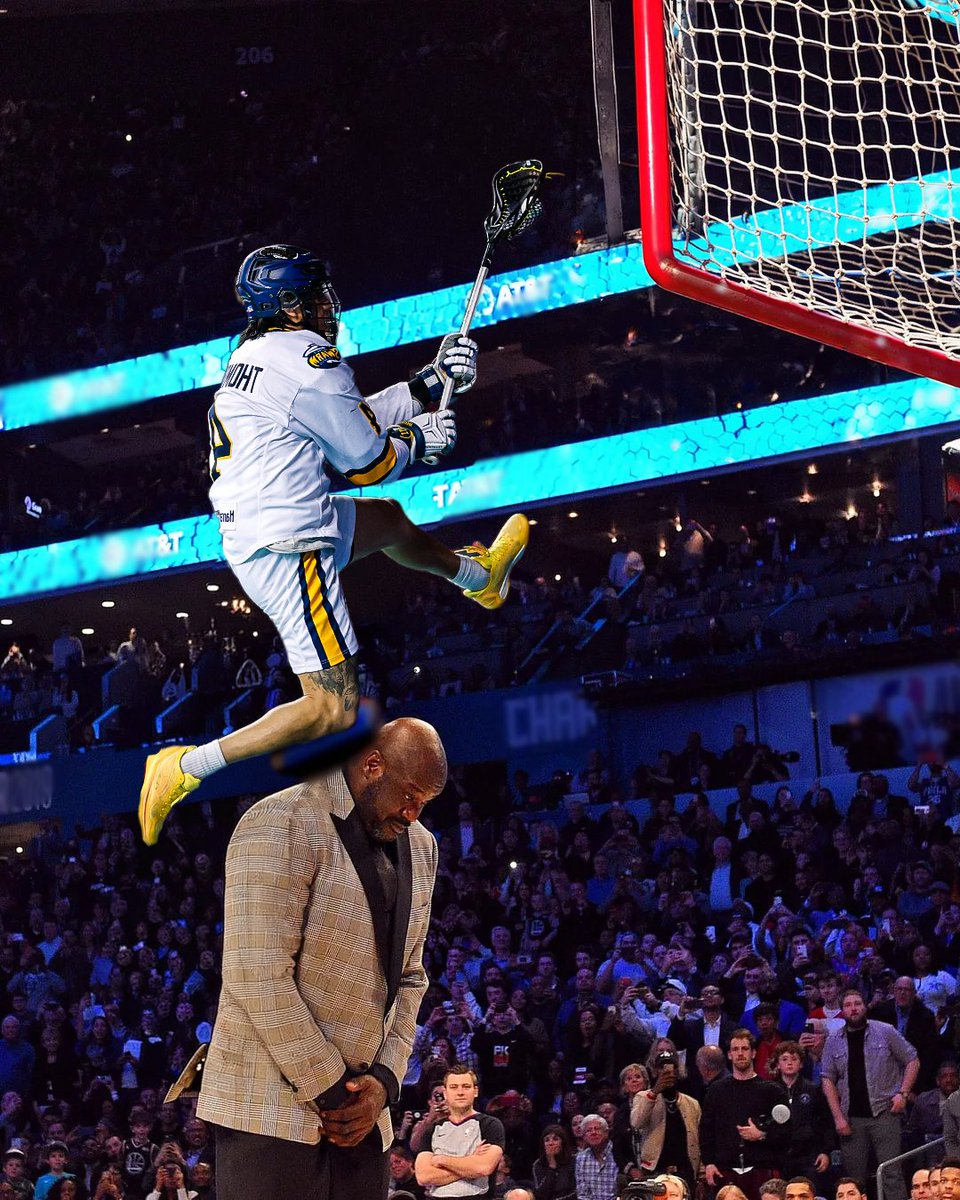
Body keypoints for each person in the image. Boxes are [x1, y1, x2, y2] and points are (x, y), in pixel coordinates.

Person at [138, 243, 529, 845]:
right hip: (289, 542)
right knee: (332, 707)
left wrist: (427, 385)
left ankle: (480, 578)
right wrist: (420, 441)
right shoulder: (311, 360)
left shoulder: (255, 352)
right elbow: (368, 461)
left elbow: (347, 421)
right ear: (291, 306)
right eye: (316, 295)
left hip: (272, 523)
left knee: (390, 522)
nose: (329, 304)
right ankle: (185, 767)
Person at [181, 717, 447, 1200]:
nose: (413, 813)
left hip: (364, 1116)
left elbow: (412, 976)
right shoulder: (279, 820)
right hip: (268, 1108)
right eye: (409, 796)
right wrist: (335, 1089)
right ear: (372, 765)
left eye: (424, 802)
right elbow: (257, 975)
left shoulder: (422, 847)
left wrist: (384, 1082)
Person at [820, 989, 918, 1200]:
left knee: (891, 1172)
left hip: (885, 1112)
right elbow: (827, 1079)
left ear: (865, 1006)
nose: (853, 1008)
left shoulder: (885, 1031)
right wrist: (838, 1118)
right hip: (851, 1118)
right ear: (842, 1011)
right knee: (853, 1180)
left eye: (857, 1003)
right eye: (848, 1005)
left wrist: (903, 1093)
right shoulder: (833, 1040)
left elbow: (912, 1059)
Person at [699, 1029, 790, 1200]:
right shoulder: (716, 1091)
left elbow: (787, 1132)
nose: (740, 1053)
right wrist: (709, 1163)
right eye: (735, 1049)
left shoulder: (772, 1091)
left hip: (763, 1170)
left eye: (745, 1049)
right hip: (724, 1171)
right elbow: (706, 1131)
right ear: (729, 1055)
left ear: (753, 1053)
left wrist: (762, 1135)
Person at [414, 1065, 505, 1197]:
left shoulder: (490, 1125)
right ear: (445, 1093)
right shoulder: (432, 1130)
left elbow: (483, 1168)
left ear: (475, 1091)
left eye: (466, 1087)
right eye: (454, 1087)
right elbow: (424, 1176)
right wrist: (471, 1161)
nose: (460, 1092)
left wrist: (441, 1160)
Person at [630, 1049, 701, 1195]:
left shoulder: (692, 1103)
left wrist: (701, 1175)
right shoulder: (643, 1097)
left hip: (686, 1173)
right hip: (655, 1172)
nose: (667, 1072)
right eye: (662, 1068)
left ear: (678, 1071)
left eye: (671, 1067)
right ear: (655, 1072)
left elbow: (700, 1140)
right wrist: (654, 1092)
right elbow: (636, 1122)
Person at [771, 1042, 834, 1182]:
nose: (789, 1063)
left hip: (809, 1156)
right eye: (785, 1059)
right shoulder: (770, 1091)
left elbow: (826, 1123)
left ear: (801, 1064)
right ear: (778, 1064)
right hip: (780, 1157)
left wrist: (825, 1152)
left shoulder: (812, 1089)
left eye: (794, 1059)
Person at [573, 1114, 618, 1200]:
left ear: (606, 1132)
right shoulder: (581, 1159)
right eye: (589, 1130)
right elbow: (583, 1195)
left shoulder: (619, 1153)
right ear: (584, 1137)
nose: (593, 1133)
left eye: (597, 1129)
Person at [530, 1124, 576, 1200]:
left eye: (555, 1139)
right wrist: (552, 1167)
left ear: (563, 1143)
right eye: (547, 1140)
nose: (551, 1143)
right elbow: (541, 1195)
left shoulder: (574, 1161)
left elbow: (576, 1192)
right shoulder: (538, 1164)